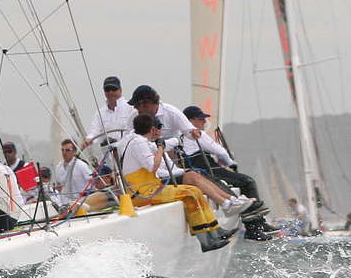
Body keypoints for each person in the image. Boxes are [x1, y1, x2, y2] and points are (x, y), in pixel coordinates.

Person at [117, 114, 249, 252]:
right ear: (151, 129)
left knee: (195, 190)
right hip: (141, 193)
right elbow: (153, 166)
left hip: (151, 187)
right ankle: (205, 241)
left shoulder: (138, 140)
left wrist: (173, 141)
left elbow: (156, 148)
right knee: (188, 194)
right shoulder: (139, 142)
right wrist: (161, 148)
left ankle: (216, 231)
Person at [180, 106, 278, 241]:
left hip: (197, 169)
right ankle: (254, 227)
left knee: (232, 185)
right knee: (247, 182)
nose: (204, 121)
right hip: (206, 169)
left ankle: (257, 224)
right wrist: (231, 163)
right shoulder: (196, 134)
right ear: (190, 120)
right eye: (201, 118)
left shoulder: (178, 135)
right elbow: (220, 152)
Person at [125, 85, 200, 144]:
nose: (135, 108)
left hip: (169, 152)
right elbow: (128, 136)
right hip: (143, 150)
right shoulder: (134, 115)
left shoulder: (172, 112)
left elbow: (190, 131)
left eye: (137, 105)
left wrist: (195, 133)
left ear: (148, 103)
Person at [82, 76, 135, 149]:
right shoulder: (100, 113)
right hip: (108, 153)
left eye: (114, 89)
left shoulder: (131, 108)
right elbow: (95, 130)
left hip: (128, 150)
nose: (111, 92)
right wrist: (89, 139)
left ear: (120, 90)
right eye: (107, 90)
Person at [54, 139, 94, 204]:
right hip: (67, 202)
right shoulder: (59, 167)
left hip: (83, 200)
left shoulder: (81, 165)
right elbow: (59, 186)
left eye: (67, 150)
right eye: (62, 150)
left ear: (74, 152)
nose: (64, 152)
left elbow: (92, 181)